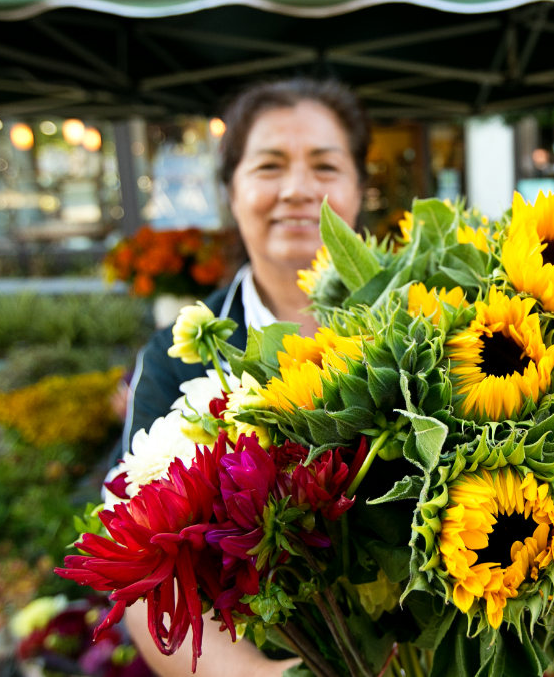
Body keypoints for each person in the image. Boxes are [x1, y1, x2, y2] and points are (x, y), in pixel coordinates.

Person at [122, 76, 369, 677]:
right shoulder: (175, 361)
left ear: (360, 187)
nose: (297, 189)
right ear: (231, 191)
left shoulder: (429, 330)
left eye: (325, 165)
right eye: (269, 166)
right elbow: (140, 575)